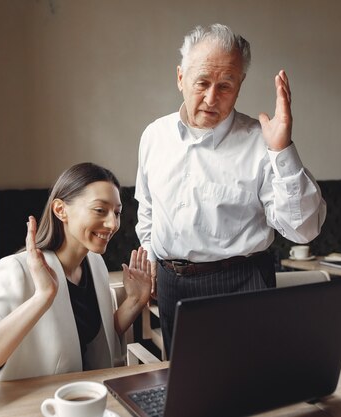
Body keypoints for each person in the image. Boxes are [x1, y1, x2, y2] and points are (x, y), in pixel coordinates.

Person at [135, 24, 327, 353]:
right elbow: (148, 209)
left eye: (226, 85)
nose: (212, 98)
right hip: (171, 286)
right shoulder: (154, 136)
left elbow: (304, 231)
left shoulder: (260, 141)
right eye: (203, 83)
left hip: (242, 282)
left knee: (251, 390)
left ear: (240, 86)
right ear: (181, 78)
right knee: (186, 392)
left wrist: (282, 151)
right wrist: (153, 261)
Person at [0, 162, 152, 408]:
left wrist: (134, 301)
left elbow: (92, 340)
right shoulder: (17, 270)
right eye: (100, 210)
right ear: (61, 210)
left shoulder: (95, 264)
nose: (113, 224)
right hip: (34, 408)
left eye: (117, 212)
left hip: (82, 405)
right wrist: (42, 298)